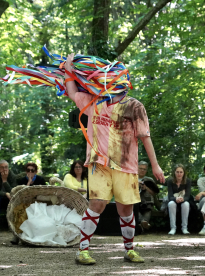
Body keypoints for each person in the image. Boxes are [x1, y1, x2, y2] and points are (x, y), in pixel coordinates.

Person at [65, 53, 165, 265]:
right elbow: (72, 92)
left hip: (126, 166)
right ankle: (82, 251)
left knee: (125, 210)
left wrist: (155, 166)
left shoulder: (134, 106)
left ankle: (129, 249)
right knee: (97, 205)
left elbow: (145, 137)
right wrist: (68, 68)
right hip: (98, 164)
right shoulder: (94, 101)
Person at [0, 160, 16, 232]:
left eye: (6, 167)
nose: (4, 169)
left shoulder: (12, 175)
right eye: (2, 167)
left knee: (13, 199)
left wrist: (5, 181)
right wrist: (5, 194)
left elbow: (13, 191)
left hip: (9, 198)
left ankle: (10, 224)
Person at [166, 164, 192, 235]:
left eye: (181, 172)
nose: (179, 174)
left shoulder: (187, 181)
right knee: (171, 204)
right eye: (177, 172)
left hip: (183, 200)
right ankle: (173, 228)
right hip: (174, 200)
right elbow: (170, 196)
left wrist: (182, 199)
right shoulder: (170, 181)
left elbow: (188, 196)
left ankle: (184, 228)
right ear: (174, 172)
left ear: (184, 173)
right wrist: (176, 198)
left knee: (186, 204)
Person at [137, 161, 159, 230]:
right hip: (135, 202)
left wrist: (146, 188)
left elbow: (154, 193)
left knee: (148, 210)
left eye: (144, 169)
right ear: (137, 168)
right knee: (134, 209)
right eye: (141, 168)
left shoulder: (149, 180)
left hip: (147, 203)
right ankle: (143, 223)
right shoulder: (132, 178)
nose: (142, 170)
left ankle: (141, 225)